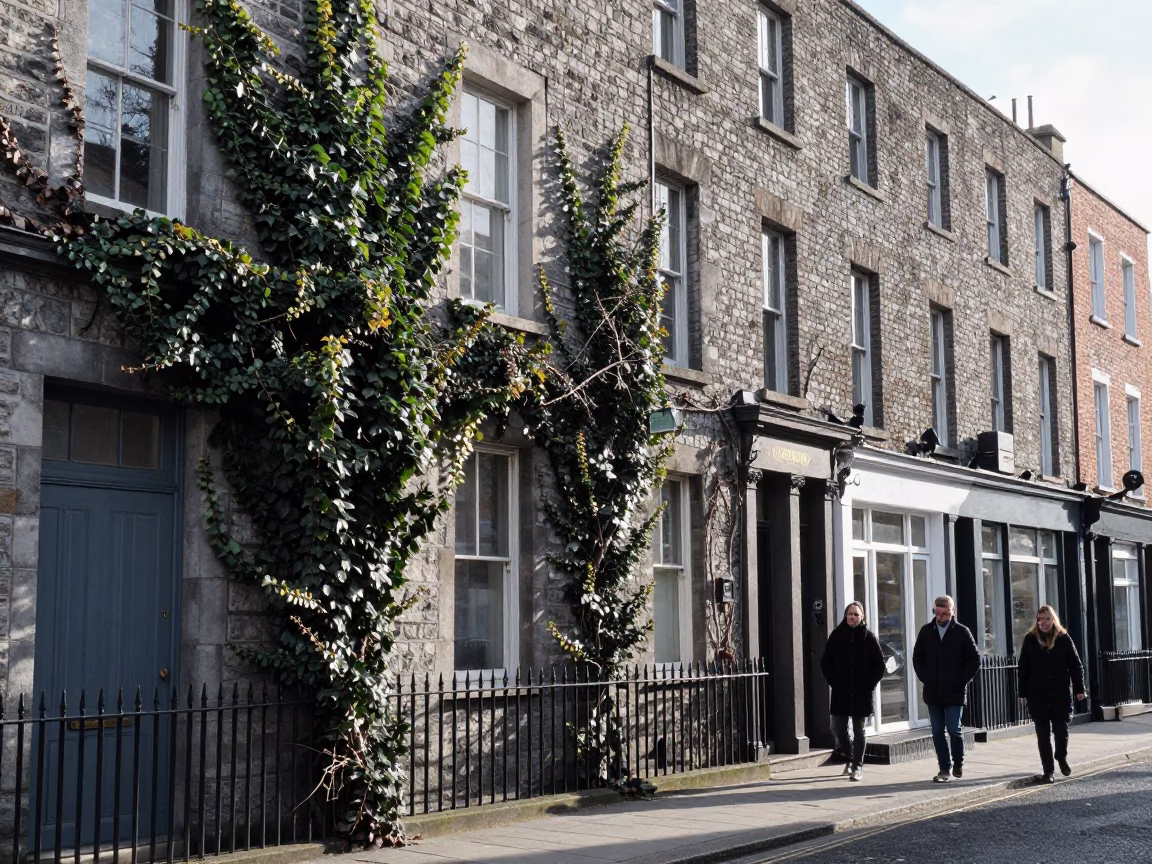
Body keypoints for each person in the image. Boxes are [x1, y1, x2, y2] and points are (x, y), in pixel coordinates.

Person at [912, 595, 980, 783]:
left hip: (955, 691)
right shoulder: (926, 631)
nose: (940, 617)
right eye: (937, 613)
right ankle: (944, 768)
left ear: (952, 613)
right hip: (933, 691)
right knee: (936, 731)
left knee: (953, 729)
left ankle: (958, 761)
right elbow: (917, 658)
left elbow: (975, 658)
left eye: (944, 614)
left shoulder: (962, 632)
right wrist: (926, 677)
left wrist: (962, 680)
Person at [1017, 605, 1086, 784]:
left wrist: (1080, 688)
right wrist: (1022, 692)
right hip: (1037, 694)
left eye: (1047, 619)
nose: (1043, 623)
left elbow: (1075, 665)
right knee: (1042, 734)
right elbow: (1023, 668)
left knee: (1061, 730)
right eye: (1040, 619)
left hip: (1060, 693)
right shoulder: (1030, 639)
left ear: (1053, 620)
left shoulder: (1063, 638)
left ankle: (1061, 756)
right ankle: (1048, 771)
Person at [820, 601, 886, 781]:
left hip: (861, 693)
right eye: (850, 614)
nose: (852, 617)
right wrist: (834, 681)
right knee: (838, 728)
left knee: (859, 730)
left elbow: (879, 666)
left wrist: (869, 685)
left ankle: (858, 765)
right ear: (845, 616)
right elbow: (825, 662)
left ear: (862, 616)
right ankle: (849, 756)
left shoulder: (869, 638)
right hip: (841, 691)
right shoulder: (837, 635)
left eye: (856, 614)